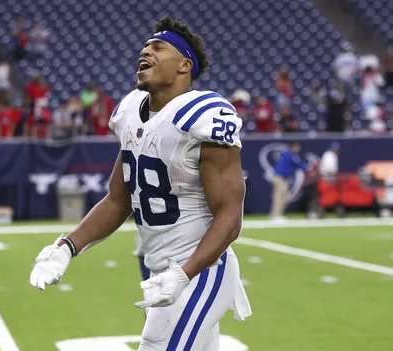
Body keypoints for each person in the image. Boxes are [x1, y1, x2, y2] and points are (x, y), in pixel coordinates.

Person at [29, 15, 251, 350]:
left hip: (203, 270)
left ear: (184, 65)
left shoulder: (205, 114)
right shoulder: (131, 110)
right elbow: (119, 201)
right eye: (145, 46)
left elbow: (230, 216)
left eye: (158, 48)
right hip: (161, 273)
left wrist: (184, 273)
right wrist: (66, 247)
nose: (145, 53)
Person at [270, 141, 309, 221]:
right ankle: (275, 216)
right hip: (279, 177)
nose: (299, 148)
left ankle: (278, 214)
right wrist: (308, 169)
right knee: (279, 196)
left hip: (283, 178)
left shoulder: (289, 155)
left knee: (286, 197)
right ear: (293, 146)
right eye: (297, 146)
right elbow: (300, 165)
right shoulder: (290, 154)